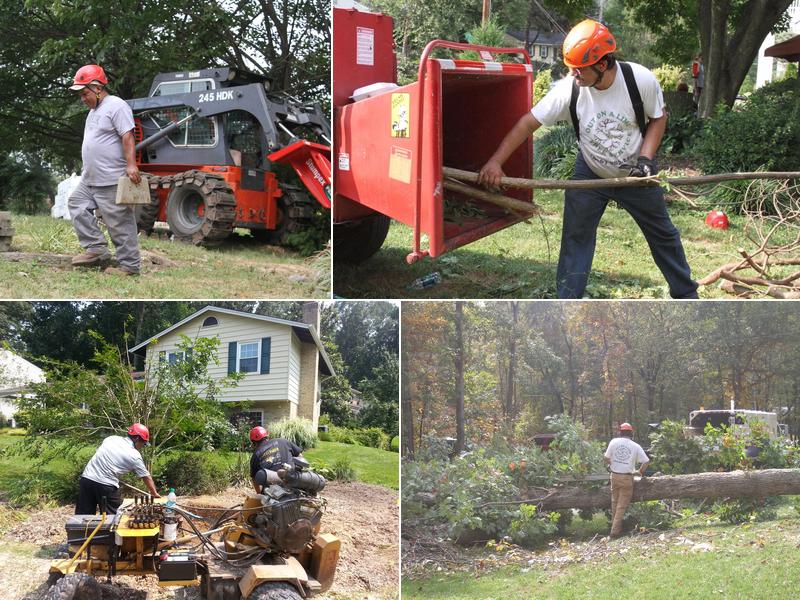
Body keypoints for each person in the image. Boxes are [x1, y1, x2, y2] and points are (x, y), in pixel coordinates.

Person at [478, 19, 699, 299]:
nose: (573, 74)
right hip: (590, 172)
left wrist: (646, 157)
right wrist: (496, 161)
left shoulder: (639, 80)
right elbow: (527, 124)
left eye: (579, 69)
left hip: (635, 172)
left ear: (603, 64)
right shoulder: (569, 89)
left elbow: (658, 117)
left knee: (663, 235)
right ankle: (567, 305)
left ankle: (687, 296)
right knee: (576, 240)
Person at [68, 64, 142, 276]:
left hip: (111, 177)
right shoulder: (93, 112)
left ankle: (130, 266)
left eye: (85, 93)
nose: (83, 98)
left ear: (97, 87)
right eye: (80, 95)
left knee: (119, 222)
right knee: (77, 204)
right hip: (90, 178)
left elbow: (127, 135)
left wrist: (131, 165)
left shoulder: (116, 106)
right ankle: (96, 249)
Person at [76, 423, 160, 514]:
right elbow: (146, 477)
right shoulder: (134, 456)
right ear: (137, 439)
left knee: (83, 515)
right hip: (106, 485)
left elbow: (101, 454)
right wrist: (154, 493)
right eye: (143, 444)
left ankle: (83, 528)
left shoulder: (111, 439)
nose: (142, 447)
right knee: (112, 518)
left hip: (87, 479)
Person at [604, 422, 649, 538]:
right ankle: (614, 532)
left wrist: (611, 464)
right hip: (627, 478)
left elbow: (606, 457)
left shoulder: (613, 442)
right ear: (631, 433)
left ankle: (615, 527)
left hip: (614, 476)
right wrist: (639, 471)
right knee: (621, 505)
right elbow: (646, 461)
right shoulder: (635, 446)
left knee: (615, 502)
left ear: (620, 432)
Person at [249, 426, 303, 493]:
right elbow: (300, 456)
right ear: (266, 437)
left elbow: (255, 479)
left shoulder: (256, 455)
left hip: (272, 491)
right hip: (293, 482)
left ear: (254, 443)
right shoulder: (282, 441)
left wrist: (259, 493)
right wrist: (300, 471)